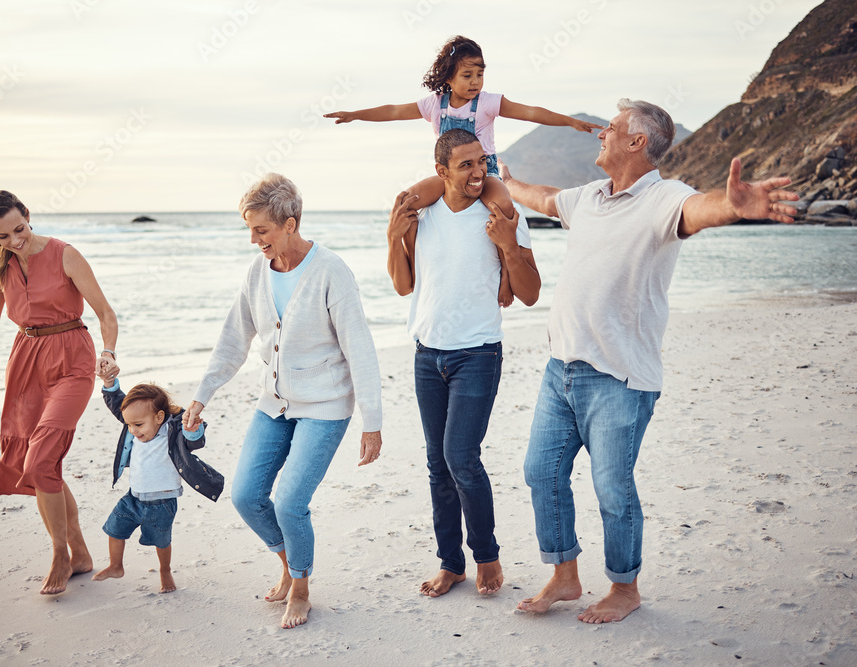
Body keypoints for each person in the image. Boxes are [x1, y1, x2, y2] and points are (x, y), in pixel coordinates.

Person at [502, 98, 798, 623]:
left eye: (611, 129)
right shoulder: (590, 196)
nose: (601, 134)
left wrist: (732, 207)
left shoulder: (665, 198)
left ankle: (624, 587)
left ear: (637, 142)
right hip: (561, 370)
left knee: (612, 487)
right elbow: (546, 199)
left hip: (620, 378)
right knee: (540, 474)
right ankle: (565, 575)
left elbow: (698, 211)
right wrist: (507, 182)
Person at [182, 173, 384, 629]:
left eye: (262, 231)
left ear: (290, 224)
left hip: (326, 406)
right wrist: (202, 396)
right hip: (274, 403)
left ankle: (302, 587)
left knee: (290, 500)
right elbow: (233, 339)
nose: (254, 241)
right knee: (247, 495)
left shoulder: (331, 271)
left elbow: (360, 348)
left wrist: (372, 421)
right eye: (250, 230)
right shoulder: (257, 272)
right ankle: (288, 563)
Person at [0, 190, 120, 595]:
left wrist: (109, 352)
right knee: (42, 464)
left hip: (72, 359)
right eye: (3, 237)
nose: (14, 241)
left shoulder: (66, 254)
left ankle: (59, 553)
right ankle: (79, 553)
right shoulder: (1, 266)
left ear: (28, 217)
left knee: (40, 456)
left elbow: (105, 312)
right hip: (26, 363)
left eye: (19, 229)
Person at [326, 35, 600, 307]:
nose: (475, 82)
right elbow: (395, 110)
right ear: (448, 77)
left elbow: (528, 112)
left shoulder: (488, 103)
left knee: (502, 204)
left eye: (480, 74)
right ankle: (412, 262)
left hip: (486, 172)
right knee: (405, 201)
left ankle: (505, 274)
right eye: (467, 75)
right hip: (451, 175)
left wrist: (569, 122)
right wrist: (355, 114)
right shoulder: (434, 104)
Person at [386, 128, 541, 597]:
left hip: (477, 354)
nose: (479, 172)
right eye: (466, 165)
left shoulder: (500, 213)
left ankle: (487, 557)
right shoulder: (423, 215)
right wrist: (395, 238)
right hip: (426, 354)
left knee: (461, 459)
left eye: (482, 163)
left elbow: (531, 293)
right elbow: (403, 285)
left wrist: (508, 243)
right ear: (441, 172)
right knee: (438, 465)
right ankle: (451, 564)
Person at [92, 378, 224, 593]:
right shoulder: (135, 428)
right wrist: (109, 384)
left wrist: (192, 430)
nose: (133, 430)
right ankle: (116, 566)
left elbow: (194, 441)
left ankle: (165, 570)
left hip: (162, 502)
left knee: (161, 541)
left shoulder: (172, 433)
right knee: (114, 529)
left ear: (159, 417)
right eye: (128, 425)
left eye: (138, 425)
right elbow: (118, 403)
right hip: (132, 497)